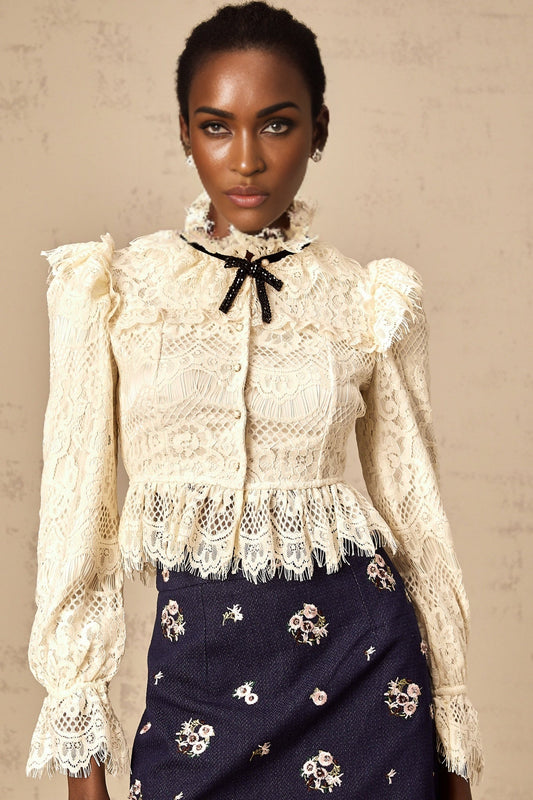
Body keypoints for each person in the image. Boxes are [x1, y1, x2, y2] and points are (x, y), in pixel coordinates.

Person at [26, 3, 483, 799]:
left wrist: (449, 736)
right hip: (195, 696)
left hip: (363, 676)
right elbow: (77, 527)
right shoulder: (114, 289)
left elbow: (415, 519)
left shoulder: (366, 297)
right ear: (183, 132)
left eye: (275, 126)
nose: (245, 160)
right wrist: (81, 760)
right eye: (215, 126)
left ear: (318, 130)